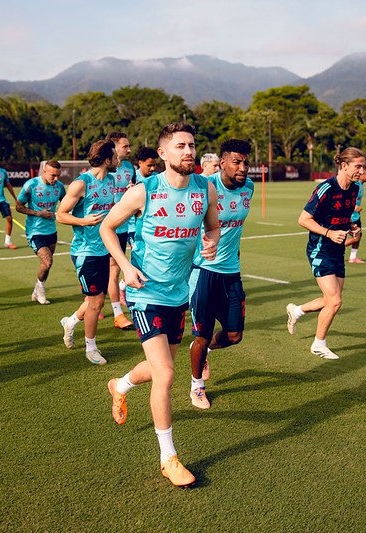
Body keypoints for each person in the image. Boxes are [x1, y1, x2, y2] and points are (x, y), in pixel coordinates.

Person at [101, 122, 220, 487]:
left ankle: (120, 385)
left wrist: (210, 242)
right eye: (181, 146)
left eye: (192, 145)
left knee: (158, 367)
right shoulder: (144, 191)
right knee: (167, 374)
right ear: (164, 153)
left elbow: (213, 227)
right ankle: (168, 457)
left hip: (177, 295)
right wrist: (125, 266)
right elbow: (108, 227)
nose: (189, 151)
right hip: (143, 292)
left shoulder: (206, 189)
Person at [188, 139, 254, 409]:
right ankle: (197, 387)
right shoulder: (205, 188)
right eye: (237, 162)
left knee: (234, 335)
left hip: (232, 273)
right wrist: (200, 245)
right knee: (201, 335)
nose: (243, 168)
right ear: (222, 163)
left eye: (246, 162)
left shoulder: (248, 187)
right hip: (203, 271)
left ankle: (206, 354)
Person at [286, 147, 365, 360]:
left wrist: (352, 228)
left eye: (362, 165)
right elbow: (303, 219)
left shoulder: (355, 189)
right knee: (336, 301)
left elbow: (345, 215)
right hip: (320, 249)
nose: (361, 170)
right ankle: (318, 344)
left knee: (330, 300)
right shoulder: (326, 188)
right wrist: (329, 233)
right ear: (343, 165)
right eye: (357, 166)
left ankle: (297, 311)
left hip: (337, 250)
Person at [56, 140, 119, 365]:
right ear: (105, 159)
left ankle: (71, 321)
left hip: (104, 248)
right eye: (115, 155)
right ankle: (90, 348)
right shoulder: (81, 183)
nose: (119, 159)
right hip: (85, 251)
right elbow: (60, 214)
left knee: (94, 299)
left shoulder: (111, 180)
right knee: (96, 302)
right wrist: (83, 221)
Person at [15, 160, 66, 305]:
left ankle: (36, 291)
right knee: (47, 261)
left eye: (58, 176)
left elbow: (66, 203)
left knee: (46, 264)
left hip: (51, 230)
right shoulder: (31, 185)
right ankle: (41, 291)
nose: (56, 179)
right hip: (35, 231)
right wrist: (38, 213)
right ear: (44, 171)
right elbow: (18, 207)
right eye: (53, 175)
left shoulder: (60, 187)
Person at [104, 132, 135, 330]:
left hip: (124, 225)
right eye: (125, 146)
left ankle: (117, 313)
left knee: (114, 268)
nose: (129, 149)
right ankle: (109, 309)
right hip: (106, 227)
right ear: (114, 147)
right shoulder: (104, 170)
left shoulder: (129, 167)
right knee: (110, 268)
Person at [347, 167, 366, 263]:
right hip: (349, 216)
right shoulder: (355, 185)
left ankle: (352, 257)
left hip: (356, 216)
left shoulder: (361, 185)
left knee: (358, 236)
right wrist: (354, 207)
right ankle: (333, 250)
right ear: (362, 174)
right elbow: (346, 198)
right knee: (355, 237)